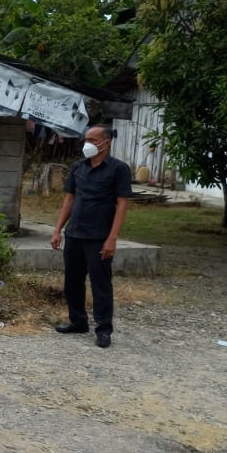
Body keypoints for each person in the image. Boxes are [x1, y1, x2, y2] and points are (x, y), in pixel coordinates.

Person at [50, 124, 132, 349]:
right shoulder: (78, 167)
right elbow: (69, 200)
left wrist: (112, 238)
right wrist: (58, 229)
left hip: (99, 235)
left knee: (100, 284)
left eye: (93, 140)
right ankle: (78, 321)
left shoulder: (119, 169)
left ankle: (104, 329)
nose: (87, 144)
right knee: (72, 282)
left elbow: (122, 204)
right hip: (75, 233)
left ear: (106, 143)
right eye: (86, 139)